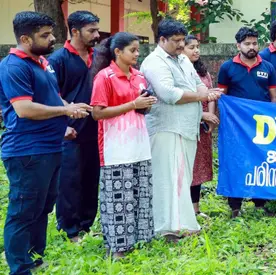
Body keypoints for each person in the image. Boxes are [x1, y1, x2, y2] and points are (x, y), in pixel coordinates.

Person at [0, 11, 91, 275]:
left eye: (51, 33)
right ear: (25, 38)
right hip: (27, 151)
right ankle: (19, 267)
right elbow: (24, 109)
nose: (52, 39)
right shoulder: (14, 66)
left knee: (42, 207)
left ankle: (35, 258)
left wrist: (69, 108)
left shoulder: (42, 62)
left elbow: (53, 98)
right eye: (45, 35)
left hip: (50, 147)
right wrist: (64, 112)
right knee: (23, 209)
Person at [140, 19, 221, 241]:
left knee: (182, 178)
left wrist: (202, 92)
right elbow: (169, 94)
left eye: (182, 40)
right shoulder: (154, 62)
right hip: (166, 127)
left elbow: (199, 83)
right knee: (166, 177)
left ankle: (183, 222)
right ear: (162, 39)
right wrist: (201, 96)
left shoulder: (183, 59)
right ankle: (164, 228)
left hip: (186, 128)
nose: (180, 45)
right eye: (175, 41)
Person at [90, 32, 158, 258]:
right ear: (117, 52)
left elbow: (141, 109)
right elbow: (97, 113)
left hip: (139, 143)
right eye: (133, 50)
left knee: (139, 194)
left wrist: (145, 104)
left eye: (138, 50)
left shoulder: (139, 76)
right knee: (117, 197)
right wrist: (132, 104)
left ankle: (140, 239)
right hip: (115, 147)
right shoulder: (105, 77)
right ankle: (117, 246)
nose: (137, 54)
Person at [47, 10, 101, 243]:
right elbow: (50, 94)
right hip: (70, 130)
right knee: (70, 181)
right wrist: (66, 115)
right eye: (92, 30)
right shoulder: (58, 59)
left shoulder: (98, 56)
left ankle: (87, 225)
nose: (97, 35)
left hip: (96, 128)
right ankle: (70, 229)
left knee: (91, 178)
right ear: (75, 31)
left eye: (97, 29)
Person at [216, 27, 276, 218]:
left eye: (254, 43)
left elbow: (274, 97)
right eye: (247, 44)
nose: (252, 47)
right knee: (236, 162)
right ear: (238, 45)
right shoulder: (227, 67)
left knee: (261, 160)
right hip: (236, 127)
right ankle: (235, 206)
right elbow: (222, 96)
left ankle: (260, 203)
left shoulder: (268, 67)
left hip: (262, 127)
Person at [183, 35, 214, 218]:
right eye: (191, 47)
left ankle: (195, 208)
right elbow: (182, 98)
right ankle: (184, 208)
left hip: (203, 126)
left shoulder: (203, 72)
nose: (196, 51)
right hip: (188, 122)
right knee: (187, 166)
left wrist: (209, 117)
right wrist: (202, 114)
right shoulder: (181, 72)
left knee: (199, 167)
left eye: (197, 47)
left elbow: (210, 94)